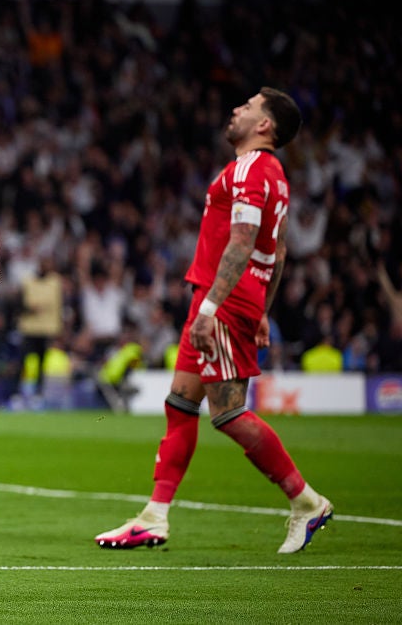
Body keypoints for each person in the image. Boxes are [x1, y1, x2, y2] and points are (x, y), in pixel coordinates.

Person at [94, 87, 333, 553]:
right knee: (180, 404)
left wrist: (210, 310)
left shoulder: (249, 169)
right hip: (226, 299)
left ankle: (306, 502)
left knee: (228, 414)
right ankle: (154, 517)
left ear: (265, 125)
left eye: (247, 107)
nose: (235, 110)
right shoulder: (275, 176)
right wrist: (262, 309)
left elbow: (243, 242)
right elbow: (277, 250)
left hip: (221, 302)